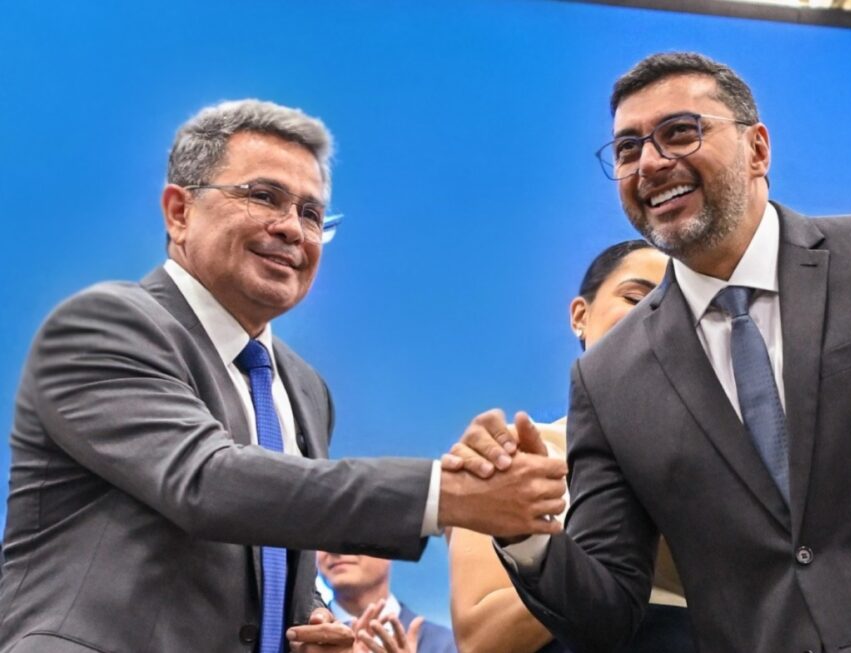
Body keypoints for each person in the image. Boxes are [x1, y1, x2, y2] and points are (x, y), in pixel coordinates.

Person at [487, 52, 851, 652]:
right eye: (628, 149)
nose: (651, 163)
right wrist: (523, 534)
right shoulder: (606, 379)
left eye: (679, 132)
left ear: (758, 149)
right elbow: (606, 613)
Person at [0, 99, 566, 653]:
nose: (293, 228)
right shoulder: (104, 326)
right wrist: (446, 494)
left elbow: (275, 537)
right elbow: (207, 483)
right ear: (179, 212)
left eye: (312, 214)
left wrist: (311, 624)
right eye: (263, 196)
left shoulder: (304, 388)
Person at [449, 240, 696, 653]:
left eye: (682, 311)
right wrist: (602, 561)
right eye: (634, 298)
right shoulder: (513, 457)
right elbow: (483, 640)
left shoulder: (725, 463)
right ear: (580, 315)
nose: (656, 317)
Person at [317, 551, 457, 653]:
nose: (335, 549)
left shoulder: (448, 646)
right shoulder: (306, 640)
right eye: (324, 534)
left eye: (354, 531)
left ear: (391, 543)